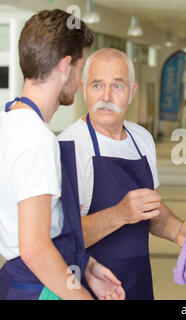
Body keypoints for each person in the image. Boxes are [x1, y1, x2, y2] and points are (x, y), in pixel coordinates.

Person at [0, 9, 125, 300]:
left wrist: (85, 266)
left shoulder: (8, 122)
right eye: (81, 69)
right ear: (66, 66)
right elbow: (34, 248)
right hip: (39, 289)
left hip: (20, 283)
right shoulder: (36, 139)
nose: (80, 81)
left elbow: (33, 229)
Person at [58, 48, 186, 300]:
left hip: (139, 282)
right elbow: (64, 236)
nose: (106, 96)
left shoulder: (142, 139)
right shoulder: (71, 145)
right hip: (89, 287)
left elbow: (151, 213)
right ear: (83, 88)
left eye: (117, 86)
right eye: (97, 85)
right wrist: (120, 214)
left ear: (132, 92)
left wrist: (178, 230)